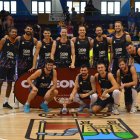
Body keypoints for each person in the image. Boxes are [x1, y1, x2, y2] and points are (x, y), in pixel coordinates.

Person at [14, 25, 38, 108]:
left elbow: (40, 48)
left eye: (30, 29)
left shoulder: (34, 40)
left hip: (30, 64)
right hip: (20, 63)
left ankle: (28, 101)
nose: (29, 30)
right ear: (24, 29)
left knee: (30, 82)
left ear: (32, 31)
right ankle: (16, 101)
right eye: (27, 28)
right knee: (18, 82)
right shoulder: (19, 38)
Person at [0, 27, 18, 109]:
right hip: (3, 65)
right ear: (9, 33)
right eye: (12, 32)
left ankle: (6, 102)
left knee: (10, 84)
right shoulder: (4, 40)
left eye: (15, 32)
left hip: (12, 66)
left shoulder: (17, 42)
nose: (14, 33)